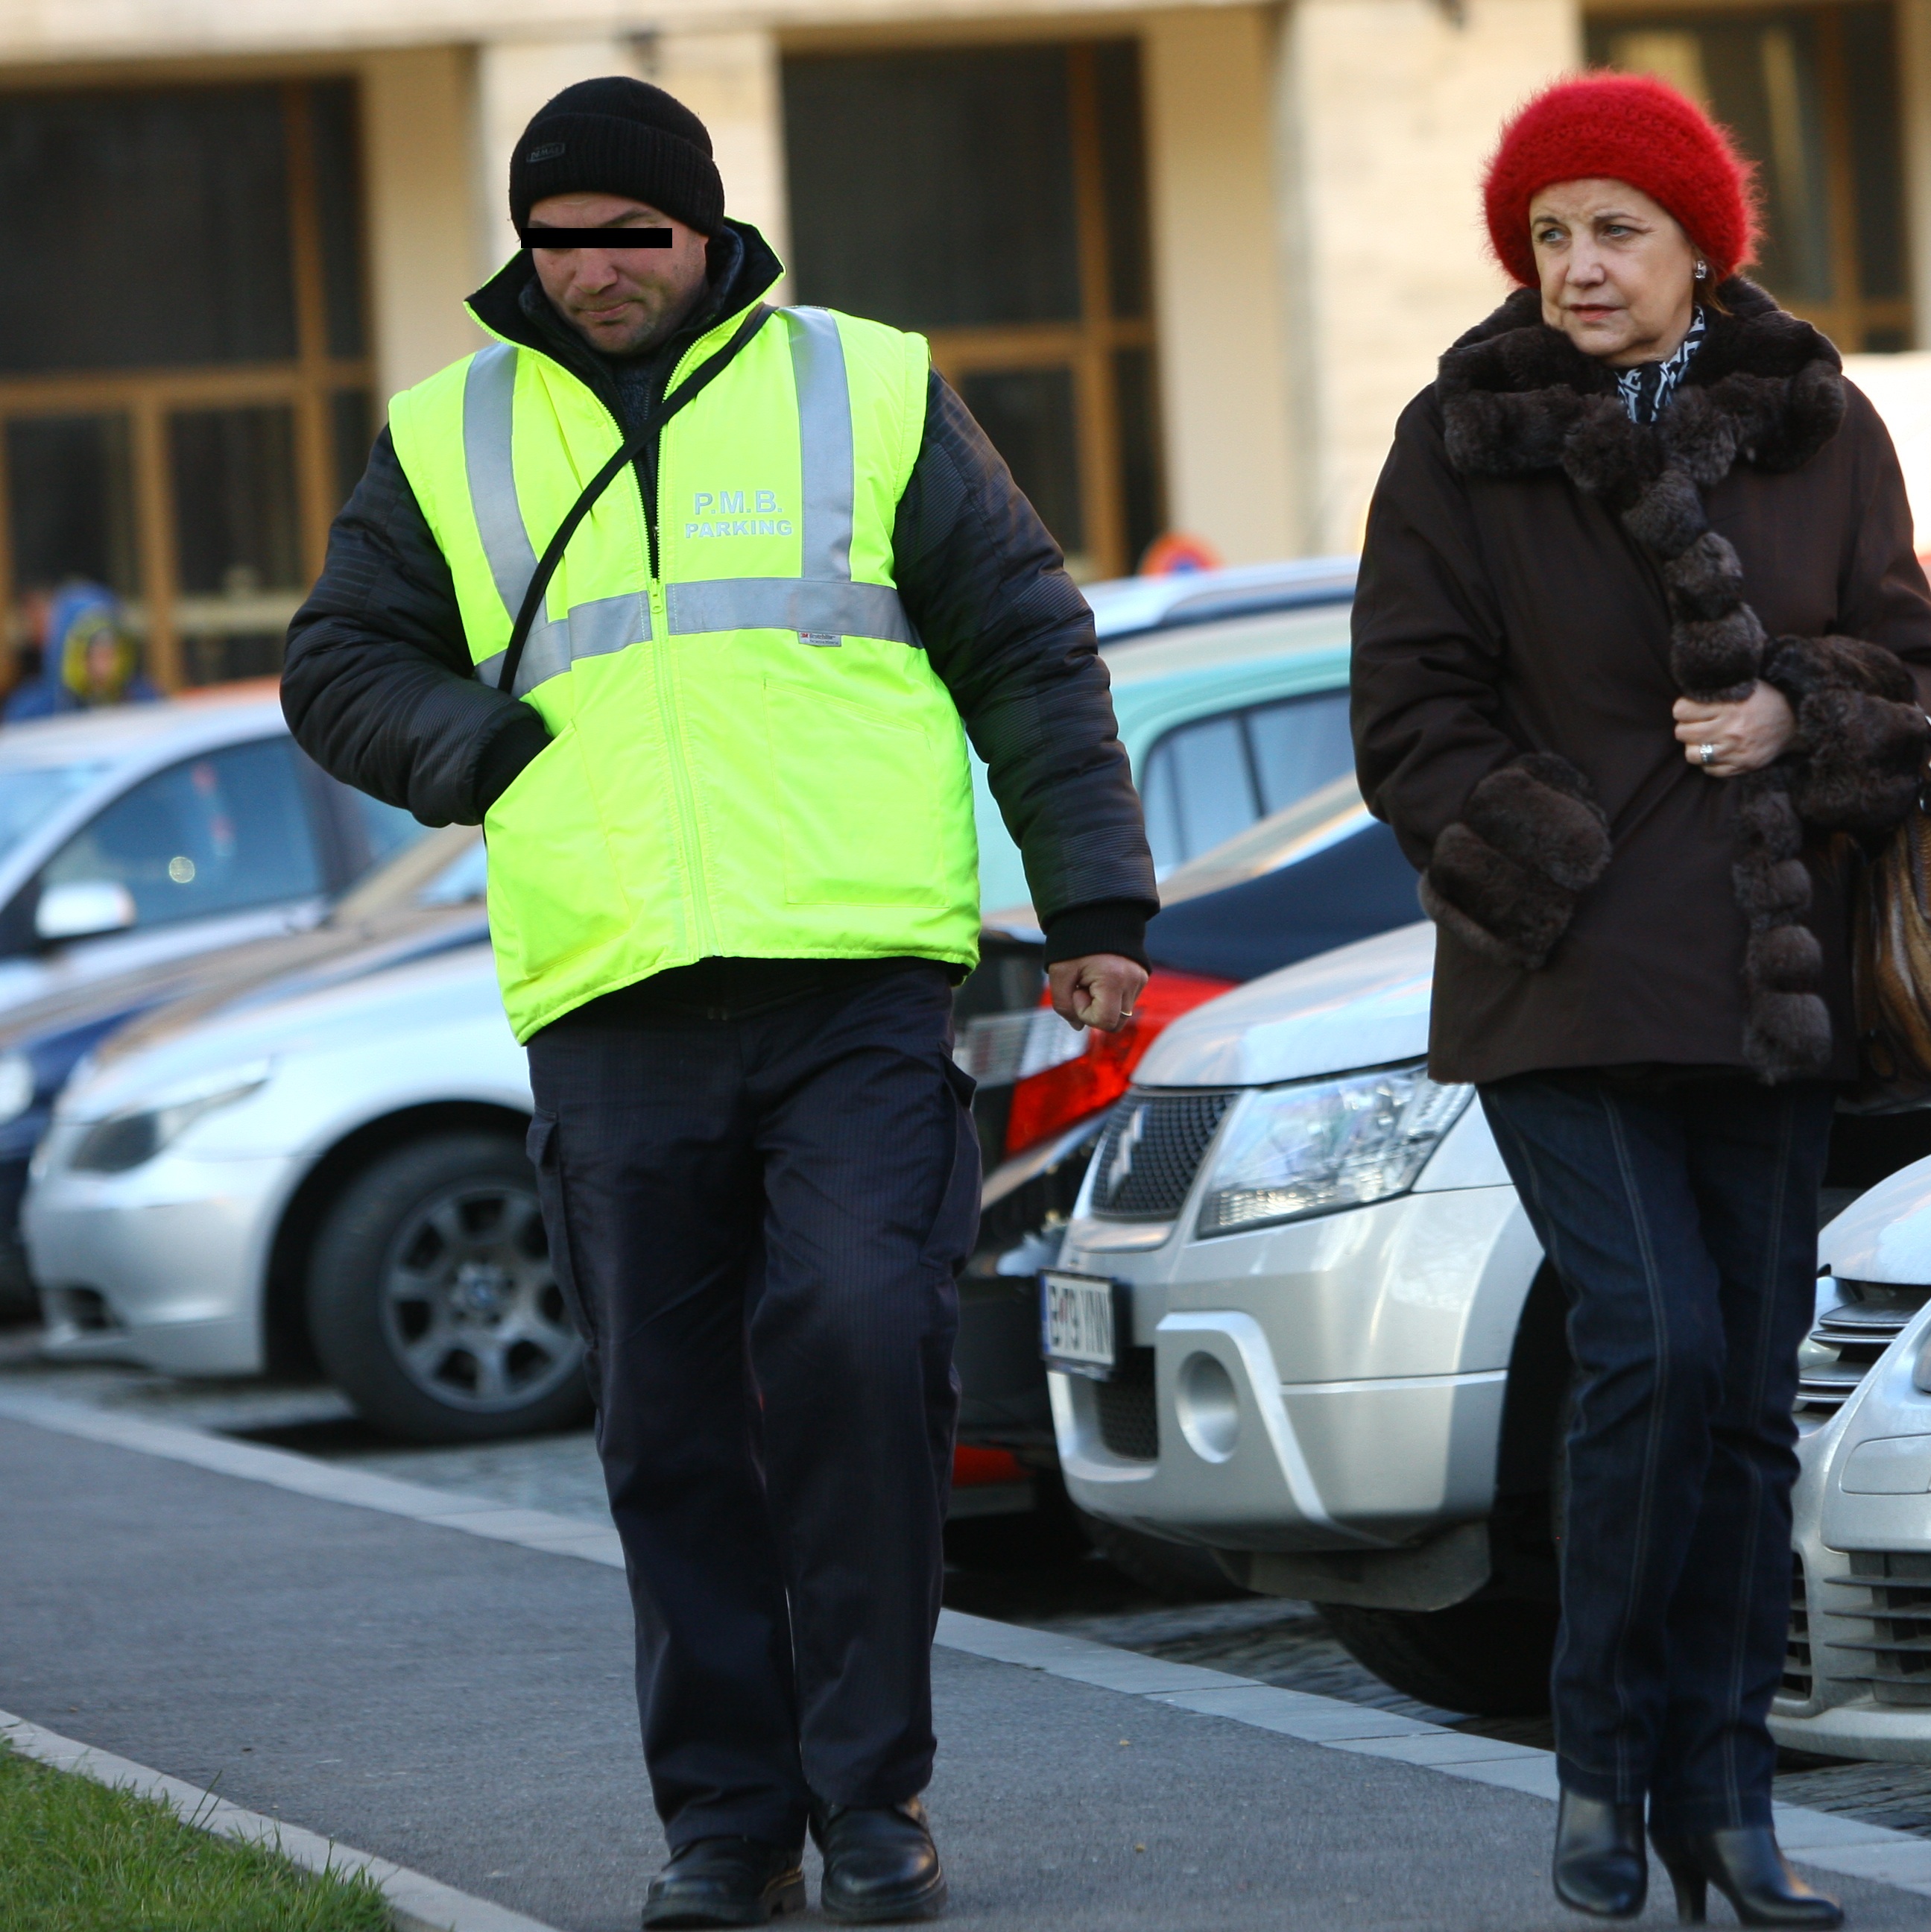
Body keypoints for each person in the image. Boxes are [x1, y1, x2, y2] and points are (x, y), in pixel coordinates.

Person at [282, 78, 1154, 1930]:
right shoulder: (448, 434)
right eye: (559, 238)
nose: (593, 270)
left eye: (630, 233)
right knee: (669, 1427)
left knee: (854, 1344)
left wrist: (1091, 900)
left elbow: (1025, 639)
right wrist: (470, 743)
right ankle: (728, 1825)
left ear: (704, 229)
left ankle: (874, 1802)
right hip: (610, 994)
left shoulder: (867, 384)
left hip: (853, 976)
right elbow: (335, 662)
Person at [1350, 74, 1931, 1928]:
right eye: (1546, 234)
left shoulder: (1816, 418)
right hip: (1560, 976)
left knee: (1743, 1399)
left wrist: (1801, 709)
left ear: (1702, 244)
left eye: (1613, 229)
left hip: (1767, 986)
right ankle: (1601, 1773)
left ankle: (1728, 1800)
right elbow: (1408, 713)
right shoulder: (1457, 438)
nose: (1575, 265)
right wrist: (1536, 846)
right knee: (1656, 1347)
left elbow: (1916, 661)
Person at [6, 583, 159, 722]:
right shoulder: (32, 711)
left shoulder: (146, 700)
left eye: (111, 647)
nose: (103, 658)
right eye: (91, 648)